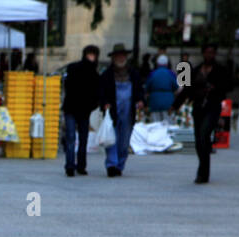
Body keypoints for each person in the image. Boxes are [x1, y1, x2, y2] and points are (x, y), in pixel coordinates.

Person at [172, 43, 232, 184]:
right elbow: (186, 90)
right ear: (203, 54)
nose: (209, 55)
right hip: (198, 107)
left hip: (212, 107)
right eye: (207, 52)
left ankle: (202, 172)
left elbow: (229, 86)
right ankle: (203, 168)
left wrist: (215, 88)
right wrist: (175, 106)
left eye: (212, 52)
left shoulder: (220, 70)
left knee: (205, 135)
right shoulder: (195, 70)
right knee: (199, 140)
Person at [98, 44, 145, 177]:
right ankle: (111, 165)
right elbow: (101, 92)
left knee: (124, 141)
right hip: (112, 110)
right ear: (113, 58)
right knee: (111, 138)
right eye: (118, 56)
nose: (120, 58)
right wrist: (104, 103)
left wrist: (140, 100)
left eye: (123, 55)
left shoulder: (133, 74)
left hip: (128, 110)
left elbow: (139, 90)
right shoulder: (107, 75)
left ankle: (120, 164)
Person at [61, 45, 101, 177]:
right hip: (77, 108)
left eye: (93, 55)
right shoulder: (89, 72)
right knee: (75, 137)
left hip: (79, 108)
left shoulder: (86, 71)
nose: (91, 57)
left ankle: (77, 165)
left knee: (80, 138)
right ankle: (72, 165)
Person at [144, 54, 178, 122]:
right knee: (168, 125)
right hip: (168, 103)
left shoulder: (152, 74)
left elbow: (147, 88)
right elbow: (176, 87)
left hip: (154, 103)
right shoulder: (171, 74)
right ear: (166, 64)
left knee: (156, 126)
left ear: (157, 63)